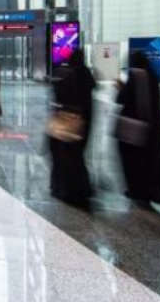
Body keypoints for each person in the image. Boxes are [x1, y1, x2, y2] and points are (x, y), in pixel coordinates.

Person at [116, 51, 160, 205]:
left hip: (133, 128)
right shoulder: (152, 77)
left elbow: (122, 99)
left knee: (132, 161)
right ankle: (149, 190)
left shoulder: (135, 75)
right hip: (151, 129)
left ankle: (136, 190)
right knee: (148, 161)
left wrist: (120, 88)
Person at [48, 50, 95, 207]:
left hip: (68, 120)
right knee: (77, 156)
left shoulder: (68, 74)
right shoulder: (86, 74)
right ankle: (81, 188)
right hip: (85, 122)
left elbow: (60, 96)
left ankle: (66, 188)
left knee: (66, 156)